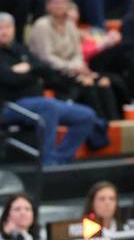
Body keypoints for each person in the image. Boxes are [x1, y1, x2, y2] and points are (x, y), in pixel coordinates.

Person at [0, 10, 98, 166]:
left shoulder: (21, 49)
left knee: (86, 115)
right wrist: (33, 73)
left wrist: (28, 68)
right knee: (48, 105)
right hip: (10, 106)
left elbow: (45, 70)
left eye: (7, 27)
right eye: (0, 28)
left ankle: (62, 160)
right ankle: (48, 162)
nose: (4, 31)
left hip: (37, 103)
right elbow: (10, 79)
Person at [28, 0, 119, 121]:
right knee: (88, 87)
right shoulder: (42, 25)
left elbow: (77, 53)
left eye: (62, 1)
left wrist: (79, 67)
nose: (59, 5)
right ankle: (97, 126)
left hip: (72, 70)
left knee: (104, 84)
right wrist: (73, 68)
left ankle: (113, 125)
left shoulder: (70, 25)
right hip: (51, 73)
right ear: (48, 5)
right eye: (55, 2)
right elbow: (46, 57)